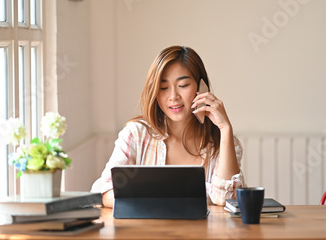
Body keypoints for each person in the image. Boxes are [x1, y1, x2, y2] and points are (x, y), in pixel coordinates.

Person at [90, 45, 246, 207]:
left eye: (183, 85)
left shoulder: (224, 143)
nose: (173, 96)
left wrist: (226, 129)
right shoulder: (136, 134)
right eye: (163, 88)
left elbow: (228, 199)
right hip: (148, 231)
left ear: (201, 87)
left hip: (202, 232)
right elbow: (104, 191)